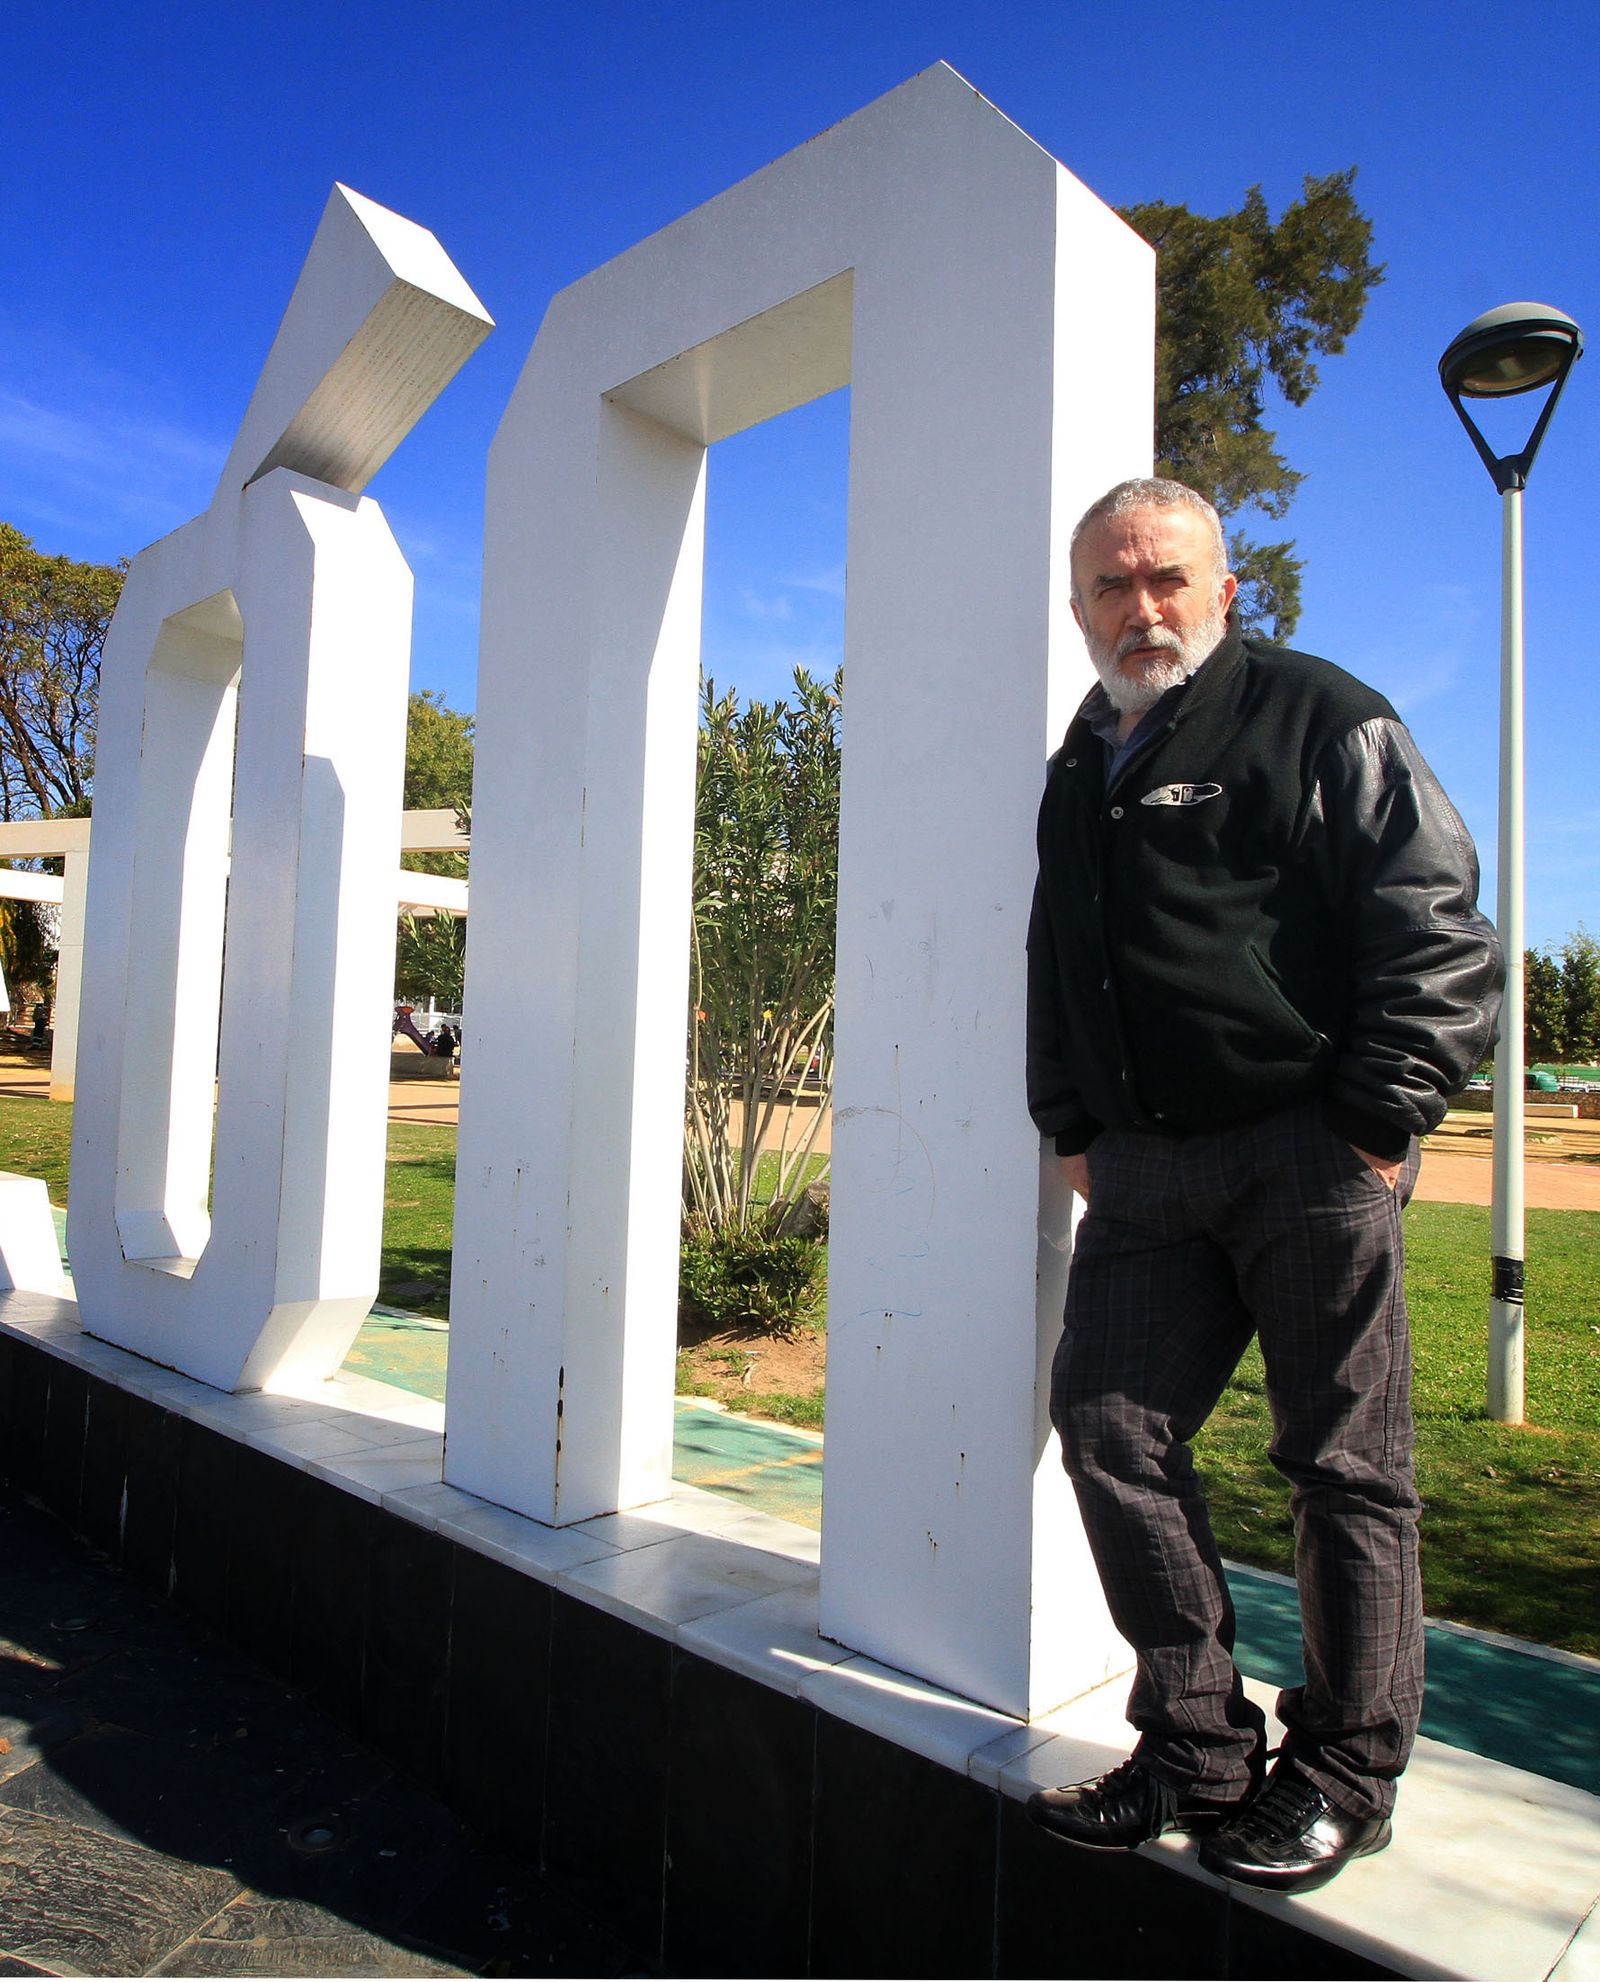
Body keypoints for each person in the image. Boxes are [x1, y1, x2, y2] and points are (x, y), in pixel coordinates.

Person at [1024, 478, 1503, 1895]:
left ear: (1225, 588)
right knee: (1108, 1426)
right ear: (1079, 607)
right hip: (1147, 1169)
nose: (1142, 606)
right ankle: (1194, 1747)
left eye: (1168, 577)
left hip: (1308, 1148)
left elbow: (1434, 921)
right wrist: (1071, 1119)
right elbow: (1058, 957)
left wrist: (1375, 1115)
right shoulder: (1079, 761)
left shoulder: (1319, 714)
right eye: (1112, 585)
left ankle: (1349, 1768)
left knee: (1343, 1464)